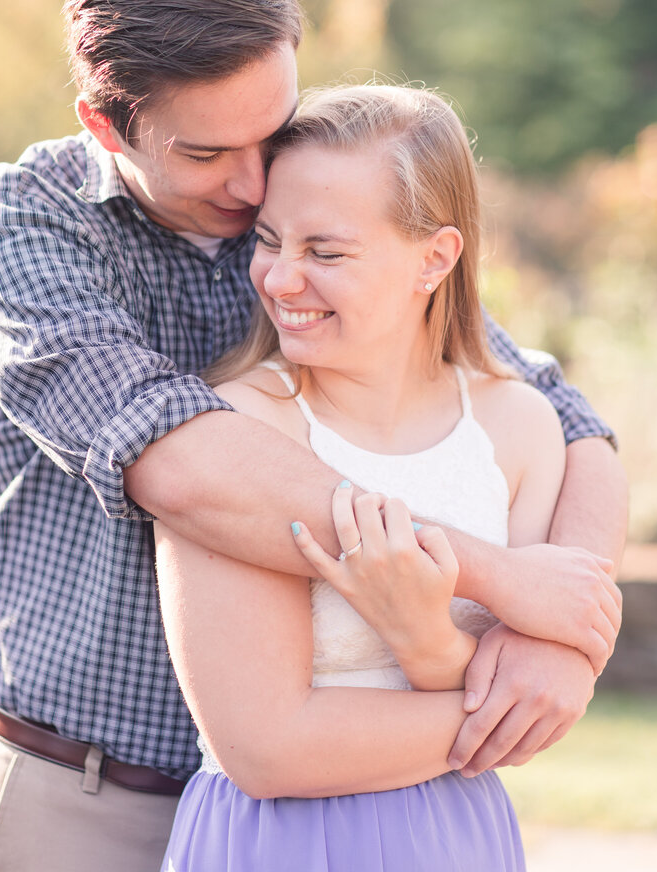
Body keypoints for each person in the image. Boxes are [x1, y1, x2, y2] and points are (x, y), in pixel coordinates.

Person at [0, 0, 625, 872]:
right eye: (209, 154)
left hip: (321, 804)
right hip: (83, 792)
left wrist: (566, 631)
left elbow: (566, 418)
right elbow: (182, 466)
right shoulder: (22, 240)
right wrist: (499, 575)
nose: (256, 182)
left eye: (271, 130)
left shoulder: (290, 220)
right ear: (106, 121)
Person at [155, 82, 594, 870]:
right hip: (277, 842)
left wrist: (425, 637)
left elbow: (529, 698)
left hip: (460, 838)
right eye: (268, 240)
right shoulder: (240, 432)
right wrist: (494, 714)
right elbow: (266, 750)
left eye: (326, 252)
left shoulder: (519, 428)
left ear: (436, 257)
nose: (281, 280)